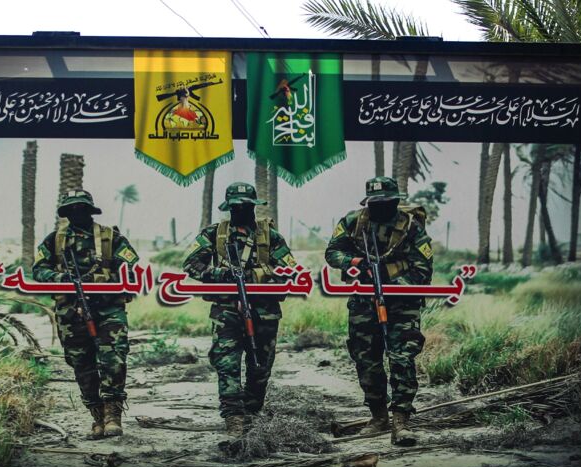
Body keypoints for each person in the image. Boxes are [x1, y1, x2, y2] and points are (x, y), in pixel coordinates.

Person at [325, 176, 434, 446]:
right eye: (376, 203)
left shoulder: (411, 227)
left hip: (402, 305)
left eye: (386, 202)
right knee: (367, 360)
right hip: (364, 303)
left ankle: (401, 421)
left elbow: (423, 269)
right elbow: (332, 252)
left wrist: (390, 281)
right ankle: (378, 417)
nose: (380, 207)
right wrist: (356, 261)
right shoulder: (354, 222)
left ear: (396, 202)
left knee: (402, 360)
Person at [182, 182, 297, 437]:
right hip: (226, 312)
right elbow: (190, 263)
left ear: (253, 207)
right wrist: (218, 274)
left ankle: (252, 414)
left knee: (260, 366)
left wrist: (261, 276)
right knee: (227, 364)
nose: (241, 211)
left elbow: (290, 270)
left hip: (265, 311)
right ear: (229, 208)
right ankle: (234, 418)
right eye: (236, 207)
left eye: (246, 207)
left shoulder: (271, 236)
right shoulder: (214, 233)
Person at [32, 189, 141, 439]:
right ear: (66, 212)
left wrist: (103, 281)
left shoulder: (111, 237)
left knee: (114, 359)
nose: (76, 213)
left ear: (90, 210)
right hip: (70, 312)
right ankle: (97, 416)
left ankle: (113, 414)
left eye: (81, 208)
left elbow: (130, 265)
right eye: (72, 209)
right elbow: (38, 270)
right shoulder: (54, 240)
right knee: (81, 364)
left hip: (108, 308)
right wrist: (62, 278)